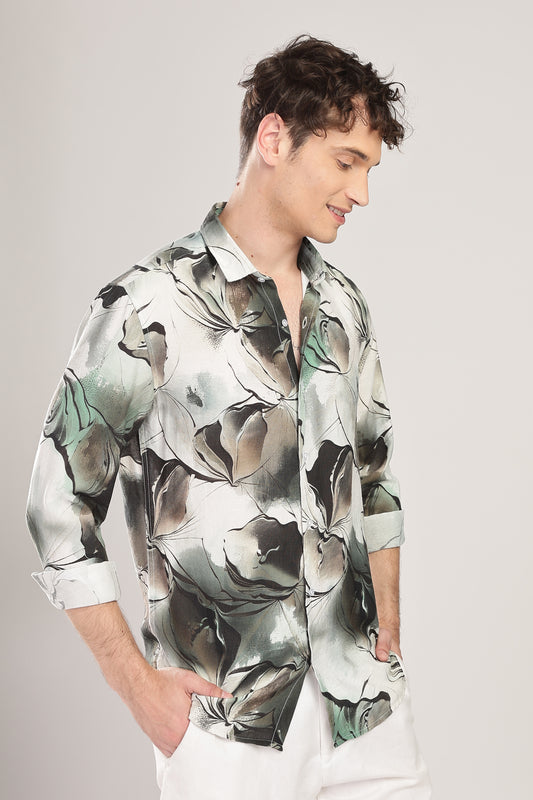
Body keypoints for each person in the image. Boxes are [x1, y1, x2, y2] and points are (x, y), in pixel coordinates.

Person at [26, 34, 431, 800]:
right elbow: (56, 507)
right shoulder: (146, 305)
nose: (361, 192)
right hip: (227, 728)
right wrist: (137, 687)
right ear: (274, 139)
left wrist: (387, 628)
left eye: (369, 169)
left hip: (365, 710)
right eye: (346, 162)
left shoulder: (343, 303)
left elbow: (374, 474)